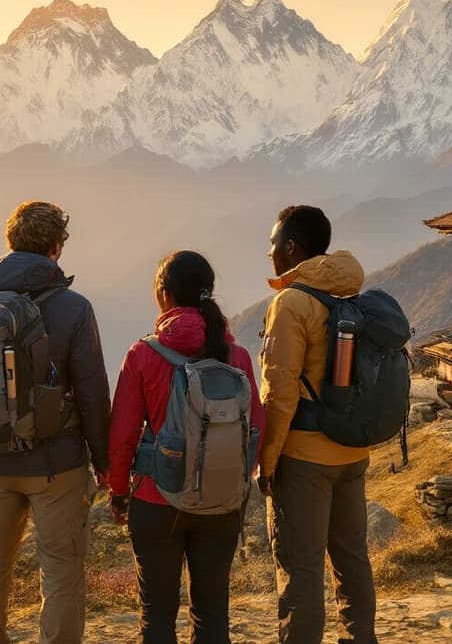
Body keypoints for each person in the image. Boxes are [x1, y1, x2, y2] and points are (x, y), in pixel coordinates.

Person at [0, 201, 111, 644]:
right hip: (56, 466)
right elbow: (93, 391)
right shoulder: (75, 308)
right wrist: (105, 461)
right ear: (56, 247)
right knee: (61, 578)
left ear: (11, 244)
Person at [108, 249, 265, 644]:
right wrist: (232, 479)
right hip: (222, 503)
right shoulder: (238, 357)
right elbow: (256, 428)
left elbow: (123, 435)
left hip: (156, 500)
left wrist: (118, 491)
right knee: (212, 615)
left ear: (164, 295)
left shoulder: (143, 355)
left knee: (157, 617)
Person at [259, 205, 377, 643]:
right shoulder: (350, 295)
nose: (269, 252)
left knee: (301, 564)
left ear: (292, 247)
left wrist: (267, 462)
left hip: (305, 457)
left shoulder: (291, 303)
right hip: (353, 450)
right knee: (352, 559)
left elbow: (279, 392)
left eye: (273, 244)